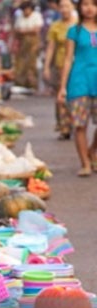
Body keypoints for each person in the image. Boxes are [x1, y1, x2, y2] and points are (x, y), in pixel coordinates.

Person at [58, 0, 97, 176]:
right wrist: (62, 87)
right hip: (79, 81)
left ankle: (92, 151)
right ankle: (85, 163)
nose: (89, 8)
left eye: (94, 4)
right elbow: (68, 59)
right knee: (80, 125)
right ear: (80, 8)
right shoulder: (75, 31)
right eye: (86, 4)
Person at [44, 0, 78, 140]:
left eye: (67, 6)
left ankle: (76, 124)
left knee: (76, 97)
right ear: (58, 8)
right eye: (61, 6)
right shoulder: (55, 27)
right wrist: (46, 66)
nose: (64, 9)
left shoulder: (80, 25)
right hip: (60, 65)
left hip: (78, 66)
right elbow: (51, 48)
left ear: (73, 7)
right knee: (61, 96)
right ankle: (64, 127)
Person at [12, 1, 44, 90]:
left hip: (33, 43)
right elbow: (17, 30)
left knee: (31, 63)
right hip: (22, 43)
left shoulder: (36, 16)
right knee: (21, 63)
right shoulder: (20, 17)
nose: (26, 12)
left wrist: (24, 31)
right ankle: (21, 84)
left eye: (27, 9)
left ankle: (32, 84)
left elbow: (36, 30)